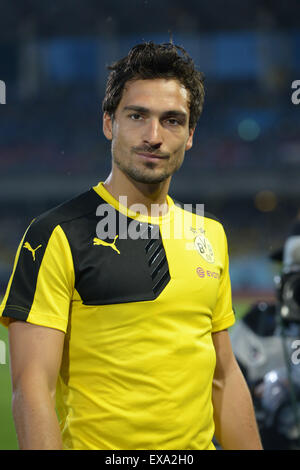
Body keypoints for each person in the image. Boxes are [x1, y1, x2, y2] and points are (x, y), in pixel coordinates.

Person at [0, 42, 262, 450]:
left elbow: (223, 377)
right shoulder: (56, 234)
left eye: (172, 121)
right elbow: (32, 388)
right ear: (109, 123)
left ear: (190, 135)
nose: (153, 136)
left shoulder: (211, 235)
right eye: (137, 116)